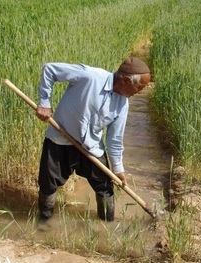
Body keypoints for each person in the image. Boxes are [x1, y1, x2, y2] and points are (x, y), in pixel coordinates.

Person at [35, 57, 151, 222]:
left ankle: (106, 224)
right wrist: (44, 102)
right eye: (140, 87)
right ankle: (44, 224)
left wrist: (118, 169)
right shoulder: (89, 76)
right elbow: (49, 69)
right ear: (126, 80)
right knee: (48, 185)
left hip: (91, 148)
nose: (139, 92)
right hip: (59, 140)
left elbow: (115, 139)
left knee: (105, 187)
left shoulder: (122, 104)